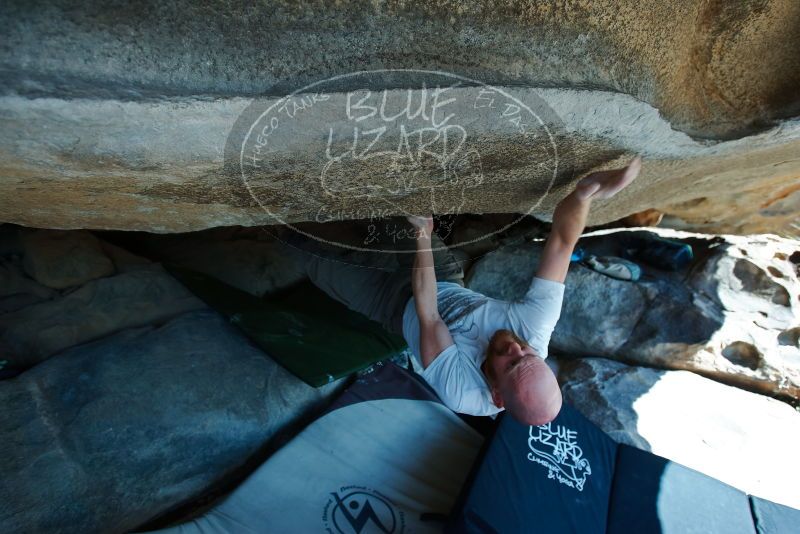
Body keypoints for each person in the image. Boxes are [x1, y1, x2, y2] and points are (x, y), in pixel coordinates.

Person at [289, 156, 642, 425]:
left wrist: (423, 234)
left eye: (511, 362)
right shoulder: (535, 330)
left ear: (497, 395)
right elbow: (563, 243)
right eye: (530, 355)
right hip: (443, 278)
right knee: (383, 203)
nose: (516, 347)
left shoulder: (465, 394)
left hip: (393, 303)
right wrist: (585, 193)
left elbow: (428, 315)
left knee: (306, 245)